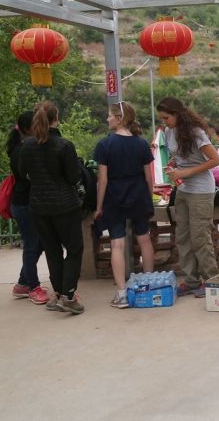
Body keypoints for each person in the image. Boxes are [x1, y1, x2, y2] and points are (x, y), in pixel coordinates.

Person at [17, 101, 85, 314]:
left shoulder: (26, 146)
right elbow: (73, 177)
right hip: (65, 205)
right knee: (74, 249)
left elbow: (22, 174)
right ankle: (69, 295)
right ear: (57, 118)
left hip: (39, 206)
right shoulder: (64, 145)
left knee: (52, 250)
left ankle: (58, 294)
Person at [157, 97, 219, 297]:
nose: (164, 122)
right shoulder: (169, 132)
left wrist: (186, 172)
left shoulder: (196, 133)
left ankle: (212, 280)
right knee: (183, 237)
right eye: (162, 118)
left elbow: (215, 160)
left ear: (177, 114)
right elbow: (181, 155)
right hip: (183, 190)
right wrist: (175, 164)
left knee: (200, 238)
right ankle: (191, 280)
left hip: (201, 191)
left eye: (166, 117)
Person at [94, 102, 156, 309]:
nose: (107, 119)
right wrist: (148, 198)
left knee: (117, 244)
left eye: (110, 116)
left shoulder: (105, 145)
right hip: (138, 193)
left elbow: (102, 180)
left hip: (114, 196)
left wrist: (99, 206)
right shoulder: (141, 143)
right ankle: (149, 286)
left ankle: (121, 294)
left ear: (119, 118)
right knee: (145, 240)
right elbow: (149, 177)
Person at [6, 111, 48, 305]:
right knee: (32, 245)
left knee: (38, 243)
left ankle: (23, 283)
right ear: (29, 129)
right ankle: (33, 287)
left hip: (29, 202)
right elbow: (30, 176)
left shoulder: (25, 147)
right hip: (24, 204)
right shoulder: (21, 150)